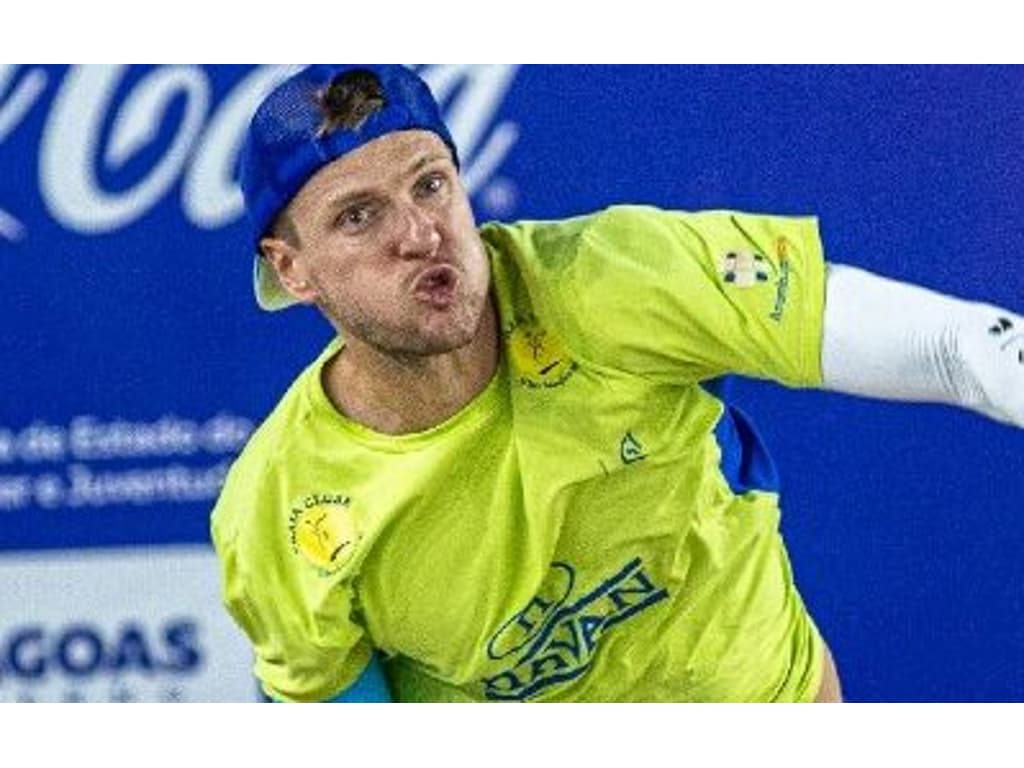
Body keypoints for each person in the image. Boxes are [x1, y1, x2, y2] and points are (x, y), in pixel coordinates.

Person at [211, 64, 1024, 703]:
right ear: (293, 270)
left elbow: (961, 349)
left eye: (431, 183)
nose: (421, 234)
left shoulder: (613, 279)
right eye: (360, 216)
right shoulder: (281, 509)